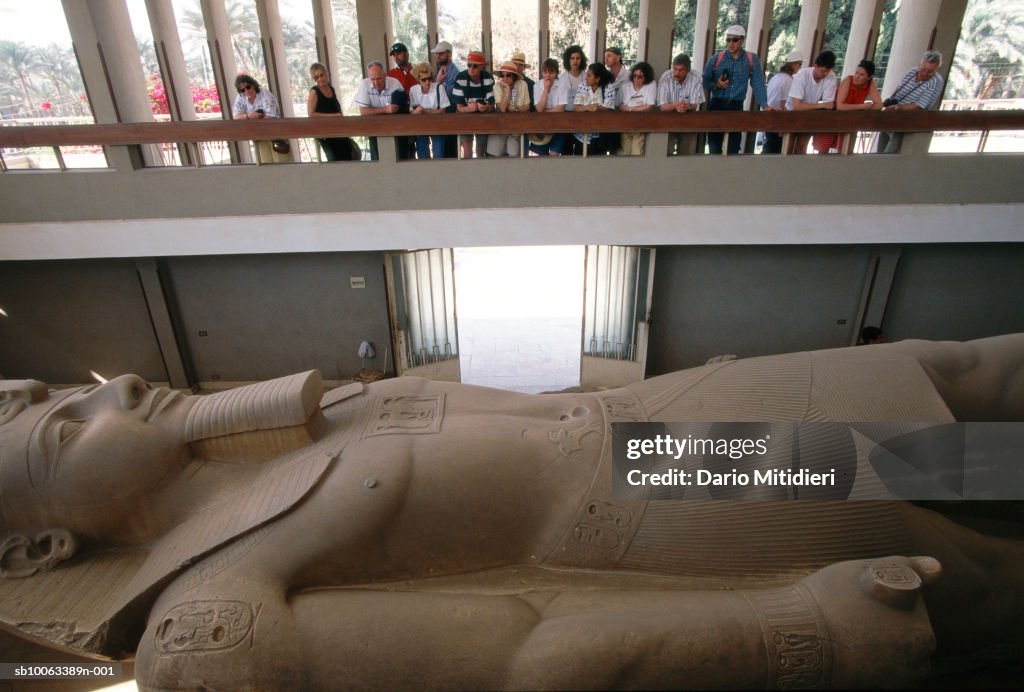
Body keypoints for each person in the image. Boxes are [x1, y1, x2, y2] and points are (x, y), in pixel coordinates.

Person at [3, 335, 1024, 689]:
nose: (117, 384)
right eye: (67, 430)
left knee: (960, 379)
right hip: (663, 491)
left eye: (69, 389)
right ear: (48, 539)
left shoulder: (275, 430)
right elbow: (520, 650)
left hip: (649, 422)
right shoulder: (210, 617)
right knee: (976, 556)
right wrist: (795, 626)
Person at [701, 25, 773, 155]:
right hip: (717, 103)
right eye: (728, 40)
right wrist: (716, 85)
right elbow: (705, 80)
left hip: (736, 104)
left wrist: (765, 105)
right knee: (714, 145)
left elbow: (758, 83)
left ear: (742, 40)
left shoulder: (751, 59)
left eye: (734, 40)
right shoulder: (717, 58)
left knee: (733, 146)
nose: (731, 43)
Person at [877, 51, 945, 154]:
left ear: (936, 69)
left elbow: (920, 106)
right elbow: (899, 90)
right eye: (923, 69)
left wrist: (897, 107)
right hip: (892, 115)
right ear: (920, 64)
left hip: (906, 119)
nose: (925, 74)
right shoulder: (912, 72)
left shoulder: (936, 81)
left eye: (930, 72)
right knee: (881, 144)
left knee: (891, 150)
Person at [814, 59, 883, 154]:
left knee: (845, 150)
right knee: (823, 149)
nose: (857, 76)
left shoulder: (870, 84)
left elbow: (879, 104)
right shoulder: (848, 80)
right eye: (856, 73)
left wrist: (866, 107)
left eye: (861, 75)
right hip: (832, 117)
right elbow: (840, 106)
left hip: (850, 120)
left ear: (868, 77)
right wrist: (861, 107)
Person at [786, 50, 838, 155]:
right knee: (788, 146)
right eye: (823, 71)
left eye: (828, 71)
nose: (825, 74)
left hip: (809, 115)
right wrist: (820, 105)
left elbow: (829, 105)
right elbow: (796, 106)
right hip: (791, 114)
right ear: (815, 66)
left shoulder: (831, 77)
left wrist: (818, 106)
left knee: (802, 147)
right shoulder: (802, 75)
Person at [231, 74, 291, 164]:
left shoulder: (264, 93)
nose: (246, 91)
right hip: (258, 136)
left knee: (281, 162)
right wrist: (249, 116)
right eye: (243, 90)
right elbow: (236, 116)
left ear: (253, 84)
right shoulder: (241, 97)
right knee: (266, 163)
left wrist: (256, 117)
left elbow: (272, 116)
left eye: (248, 87)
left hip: (275, 134)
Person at [305, 63, 357, 162]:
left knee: (348, 155)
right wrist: (333, 116)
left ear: (326, 74)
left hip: (339, 130)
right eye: (316, 77)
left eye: (322, 75)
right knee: (333, 159)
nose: (320, 79)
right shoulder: (314, 92)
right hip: (325, 133)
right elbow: (311, 114)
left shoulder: (331, 88)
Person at [354, 60, 404, 161]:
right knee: (377, 159)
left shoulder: (395, 83)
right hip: (374, 129)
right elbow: (363, 111)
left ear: (385, 75)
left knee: (399, 157)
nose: (376, 82)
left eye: (379, 78)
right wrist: (385, 109)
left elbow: (402, 108)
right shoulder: (364, 84)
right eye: (373, 79)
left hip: (395, 128)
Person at [657, 53, 706, 155]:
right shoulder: (665, 78)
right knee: (666, 153)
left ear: (687, 70)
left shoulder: (696, 79)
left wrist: (686, 106)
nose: (677, 73)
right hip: (668, 121)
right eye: (675, 69)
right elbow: (662, 106)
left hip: (688, 121)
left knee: (686, 155)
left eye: (681, 70)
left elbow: (694, 105)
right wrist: (677, 105)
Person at [452, 51, 495, 158]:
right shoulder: (460, 78)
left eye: (475, 66)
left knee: (480, 152)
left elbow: (492, 105)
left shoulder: (488, 78)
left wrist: (485, 108)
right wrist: (468, 109)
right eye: (469, 65)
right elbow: (459, 108)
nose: (471, 68)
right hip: (464, 119)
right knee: (467, 154)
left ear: (482, 67)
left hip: (483, 120)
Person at [760, 50, 804, 155]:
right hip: (777, 118)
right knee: (774, 148)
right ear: (794, 64)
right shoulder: (788, 80)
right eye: (800, 64)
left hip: (768, 116)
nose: (800, 67)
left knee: (770, 146)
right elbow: (785, 104)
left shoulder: (776, 77)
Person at [569, 62, 616, 156]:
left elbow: (609, 109)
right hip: (580, 134)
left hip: (600, 134)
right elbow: (576, 107)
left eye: (589, 76)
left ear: (598, 78)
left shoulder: (609, 88)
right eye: (586, 74)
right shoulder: (583, 86)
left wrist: (597, 108)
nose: (586, 77)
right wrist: (588, 107)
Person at [487, 61, 530, 158]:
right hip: (499, 128)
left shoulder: (523, 85)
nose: (505, 78)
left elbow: (527, 107)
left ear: (514, 76)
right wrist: (507, 90)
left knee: (514, 155)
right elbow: (502, 108)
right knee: (494, 155)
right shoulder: (497, 86)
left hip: (516, 129)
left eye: (508, 75)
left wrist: (516, 109)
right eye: (503, 76)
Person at [409, 62, 450, 160]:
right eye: (424, 79)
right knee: (422, 155)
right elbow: (411, 110)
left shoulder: (439, 87)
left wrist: (426, 112)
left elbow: (443, 110)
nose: (427, 82)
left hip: (438, 125)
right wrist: (417, 112)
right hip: (420, 126)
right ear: (418, 80)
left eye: (429, 78)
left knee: (438, 154)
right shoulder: (413, 90)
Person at [528, 57, 568, 156]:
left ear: (556, 73)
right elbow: (539, 108)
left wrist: (546, 111)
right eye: (545, 72)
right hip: (542, 126)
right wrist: (546, 89)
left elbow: (561, 108)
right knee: (541, 156)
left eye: (551, 73)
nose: (548, 76)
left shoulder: (562, 85)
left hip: (558, 124)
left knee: (554, 154)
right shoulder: (537, 86)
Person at [618, 61, 657, 156]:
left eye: (640, 76)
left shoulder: (651, 85)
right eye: (634, 76)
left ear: (646, 77)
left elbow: (649, 106)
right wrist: (639, 108)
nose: (636, 79)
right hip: (625, 125)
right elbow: (620, 106)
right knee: (624, 153)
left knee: (637, 153)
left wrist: (630, 109)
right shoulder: (625, 87)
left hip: (641, 125)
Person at [430, 40, 460, 158]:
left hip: (450, 116)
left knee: (449, 151)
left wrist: (438, 83)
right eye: (437, 54)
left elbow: (445, 98)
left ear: (449, 54)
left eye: (441, 53)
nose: (438, 56)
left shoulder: (454, 73)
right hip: (441, 116)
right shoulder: (440, 70)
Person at [387, 42, 416, 160]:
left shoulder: (417, 70)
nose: (396, 57)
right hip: (399, 114)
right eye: (394, 55)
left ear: (406, 54)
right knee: (402, 148)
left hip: (416, 112)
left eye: (398, 53)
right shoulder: (391, 74)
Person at [557, 45, 587, 111]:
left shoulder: (587, 76)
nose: (575, 61)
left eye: (578, 58)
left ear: (582, 60)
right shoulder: (561, 78)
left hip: (584, 112)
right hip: (566, 112)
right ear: (568, 60)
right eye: (572, 58)